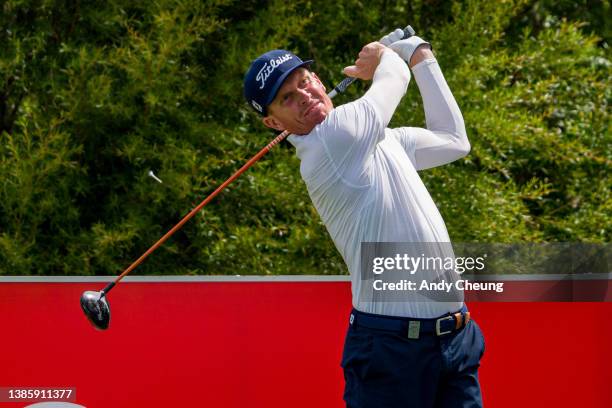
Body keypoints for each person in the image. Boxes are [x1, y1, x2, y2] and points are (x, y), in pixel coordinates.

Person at [243, 28, 486, 408]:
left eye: (304, 82)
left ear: (319, 81)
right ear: (274, 124)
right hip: (391, 350)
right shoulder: (330, 141)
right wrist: (385, 57)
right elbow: (395, 78)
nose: (304, 96)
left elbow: (454, 140)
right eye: (287, 99)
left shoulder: (378, 139)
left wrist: (421, 55)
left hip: (454, 340)